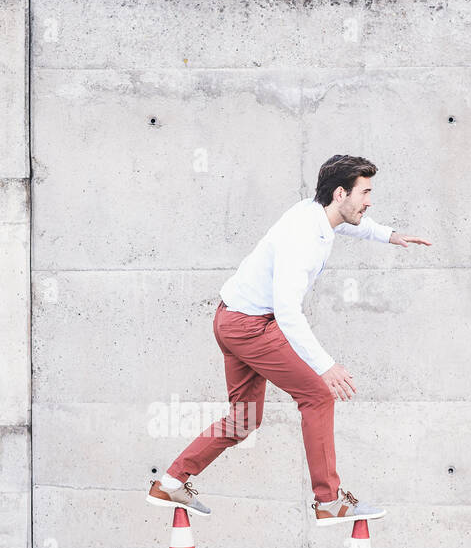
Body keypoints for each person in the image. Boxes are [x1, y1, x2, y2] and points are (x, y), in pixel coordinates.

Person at [147, 154, 431, 526]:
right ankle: (328, 501)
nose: (369, 201)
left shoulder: (312, 212)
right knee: (317, 395)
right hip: (252, 326)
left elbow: (348, 225)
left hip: (230, 319)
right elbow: (288, 312)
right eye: (365, 193)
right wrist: (325, 366)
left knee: (244, 420)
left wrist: (388, 235)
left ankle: (171, 482)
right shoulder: (304, 241)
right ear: (341, 192)